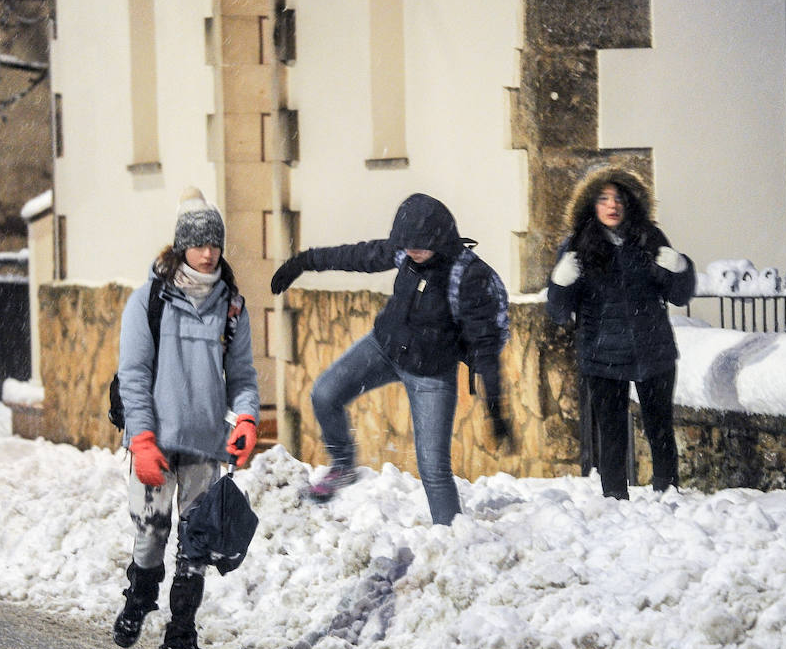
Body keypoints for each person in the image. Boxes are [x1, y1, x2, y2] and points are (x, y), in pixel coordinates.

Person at [269, 193, 510, 526]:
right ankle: (342, 465)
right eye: (407, 244)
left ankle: (452, 537)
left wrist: (495, 406)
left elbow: (484, 345)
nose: (411, 251)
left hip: (431, 374)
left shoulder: (468, 277)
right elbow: (357, 255)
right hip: (383, 348)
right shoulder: (406, 252)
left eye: (420, 245)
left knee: (433, 467)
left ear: (439, 239)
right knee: (324, 393)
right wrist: (303, 262)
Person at [111, 187, 260, 649]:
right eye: (198, 242)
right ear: (181, 246)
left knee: (195, 548)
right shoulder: (148, 301)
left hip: (203, 446)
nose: (208, 251)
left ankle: (181, 637)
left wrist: (247, 418)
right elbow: (133, 375)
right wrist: (142, 438)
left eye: (214, 242)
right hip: (154, 442)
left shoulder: (232, 308)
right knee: (152, 535)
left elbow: (242, 378)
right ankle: (140, 596)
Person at [546, 166, 695, 499]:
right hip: (603, 356)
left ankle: (667, 498)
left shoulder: (649, 238)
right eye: (603, 198)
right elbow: (557, 312)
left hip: (653, 350)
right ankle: (614, 503)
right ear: (591, 205)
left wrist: (681, 269)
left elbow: (679, 295)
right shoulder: (578, 246)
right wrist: (560, 281)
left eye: (618, 198)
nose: (611, 205)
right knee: (612, 437)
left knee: (660, 431)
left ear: (630, 203)